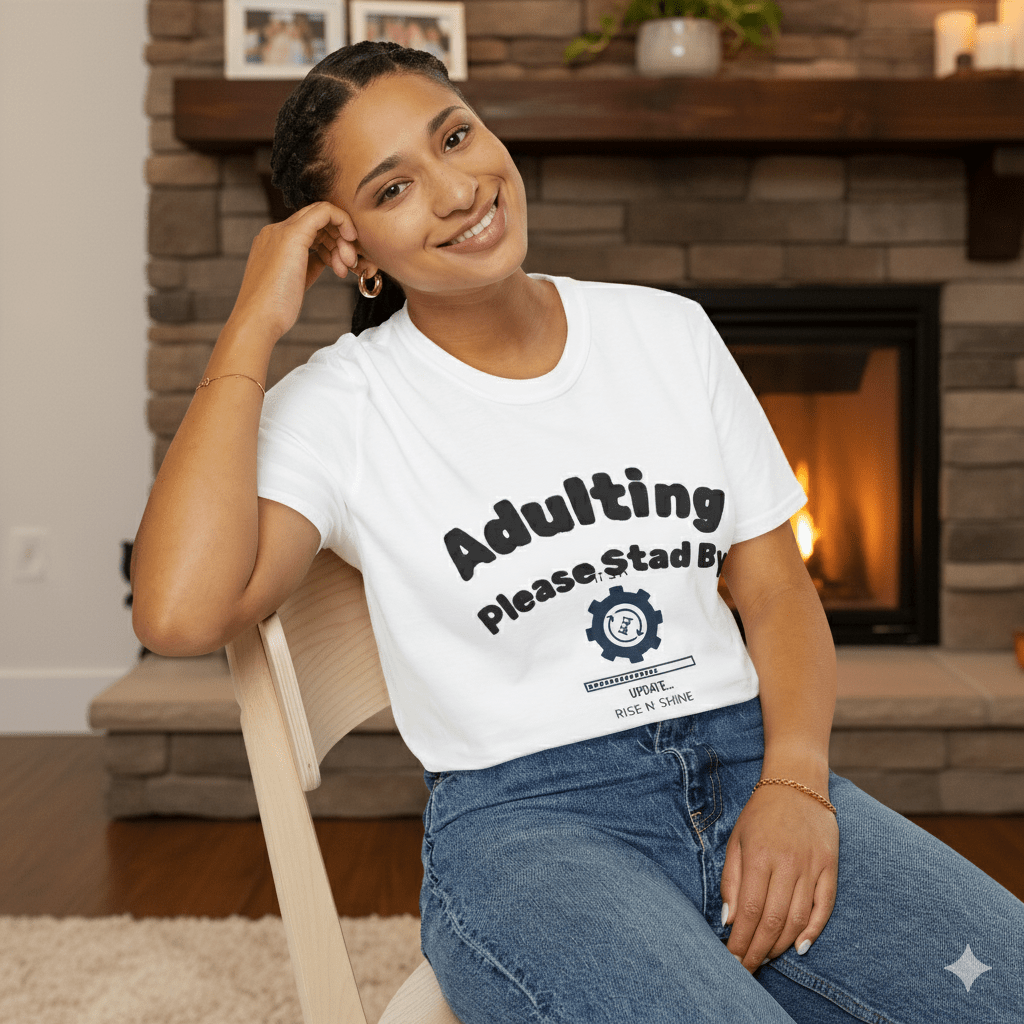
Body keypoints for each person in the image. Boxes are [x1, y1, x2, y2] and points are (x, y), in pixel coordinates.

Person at [130, 41, 1024, 1022]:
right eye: (393, 188)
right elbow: (179, 613)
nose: (457, 191)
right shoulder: (344, 405)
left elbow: (776, 591)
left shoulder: (667, 334)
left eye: (455, 137)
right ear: (353, 249)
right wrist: (253, 320)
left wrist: (798, 784)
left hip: (747, 762)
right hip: (528, 827)